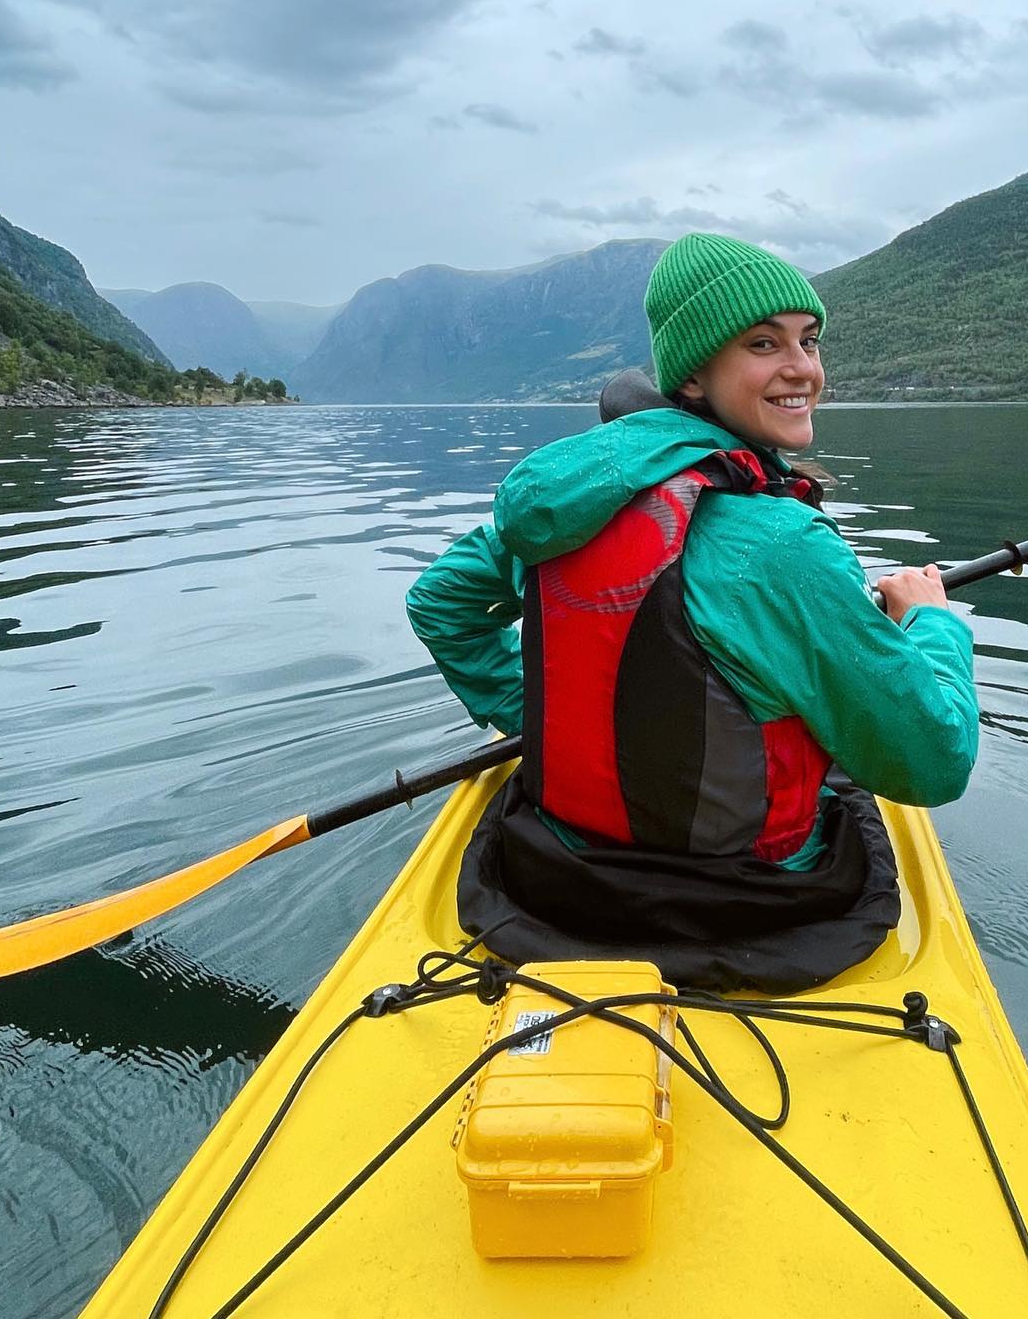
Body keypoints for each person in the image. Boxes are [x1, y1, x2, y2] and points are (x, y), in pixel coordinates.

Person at [406, 232, 980, 989]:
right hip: (751, 900)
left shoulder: (567, 511)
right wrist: (931, 622)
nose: (802, 368)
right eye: (762, 344)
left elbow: (442, 604)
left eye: (809, 342)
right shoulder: (785, 545)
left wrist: (539, 717)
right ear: (694, 378)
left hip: (563, 878)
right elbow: (933, 762)